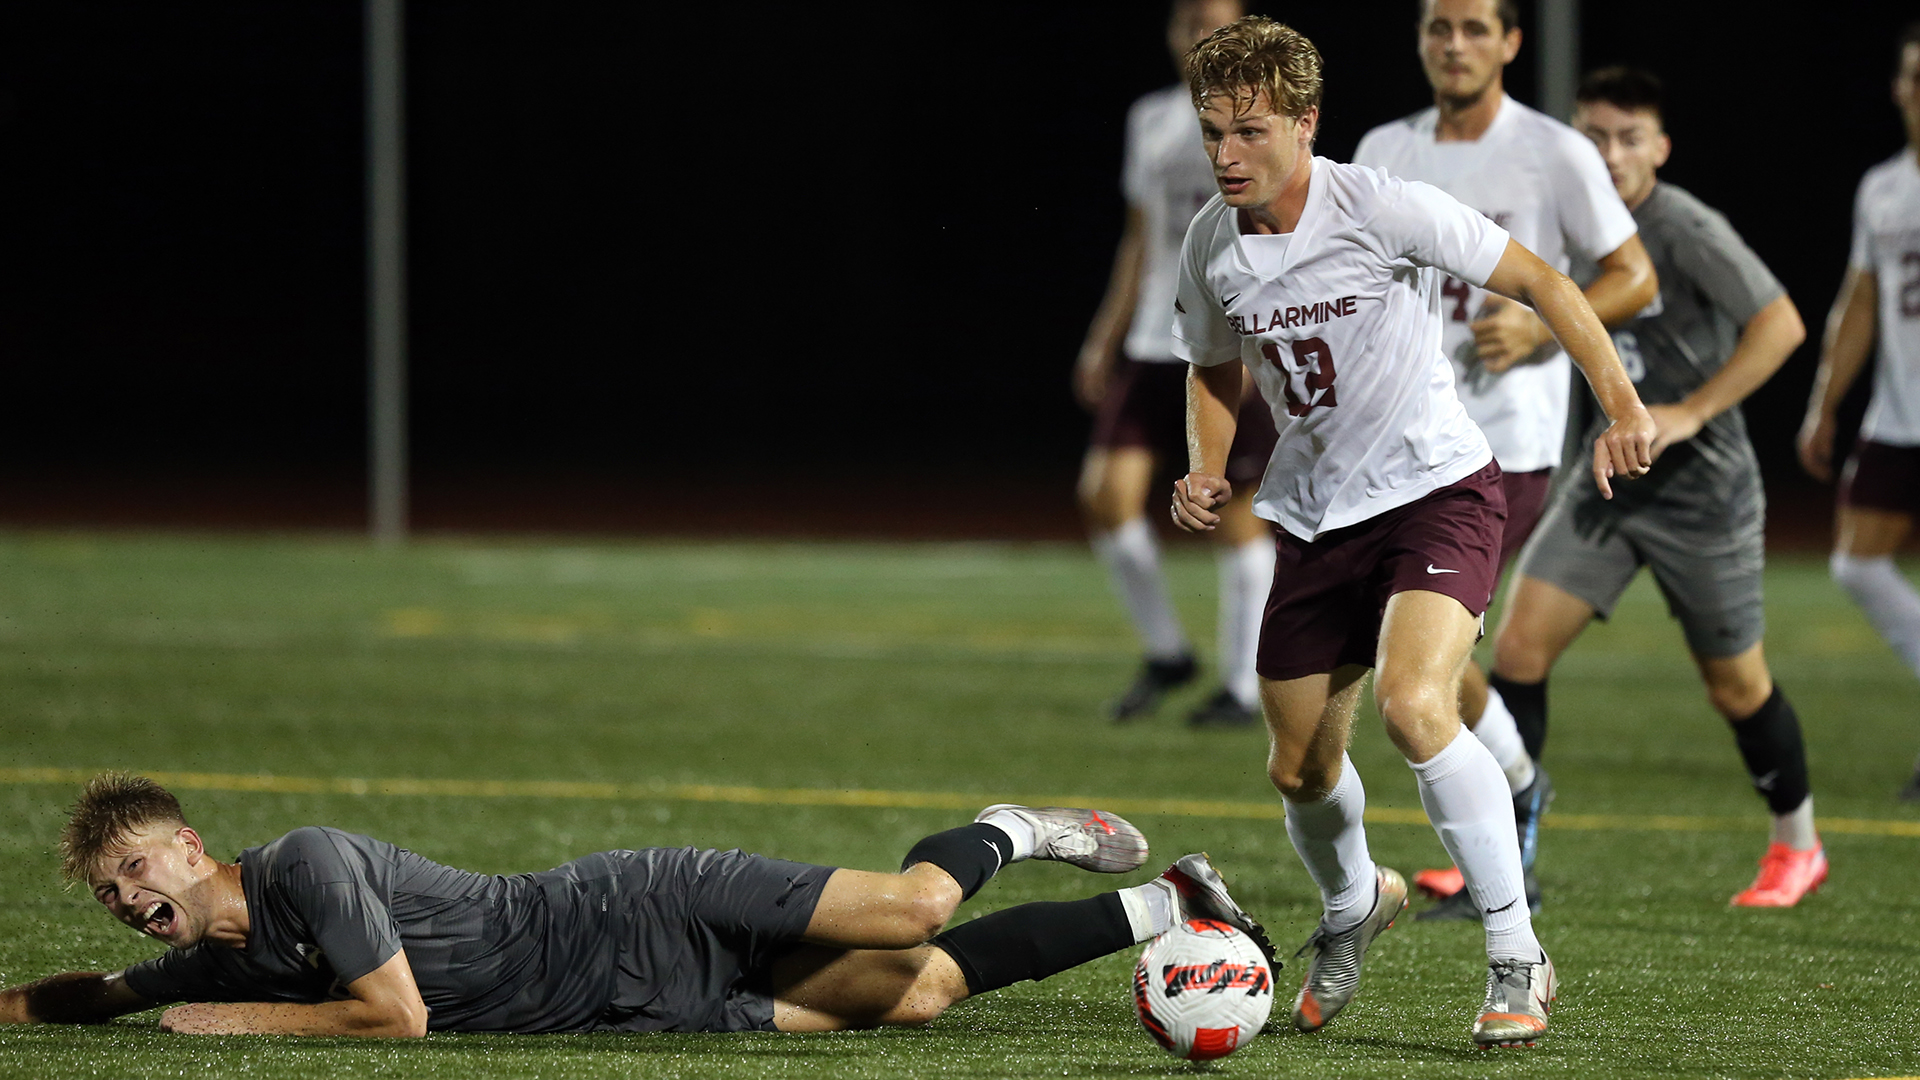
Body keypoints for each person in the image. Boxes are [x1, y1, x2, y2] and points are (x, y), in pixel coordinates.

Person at [1168, 17, 1654, 1047]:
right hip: (1312, 516)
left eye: (1248, 131)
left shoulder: (1377, 203)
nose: (1224, 154)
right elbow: (1212, 365)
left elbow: (1548, 283)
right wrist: (1208, 467)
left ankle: (1517, 954)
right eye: (1211, 130)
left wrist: (1621, 407)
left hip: (1438, 489)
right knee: (1296, 769)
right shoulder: (1211, 238)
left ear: (1306, 123)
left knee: (1416, 705)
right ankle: (1356, 902)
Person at [0, 772, 1273, 1036]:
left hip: (638, 907)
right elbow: (95, 999)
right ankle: (1168, 908)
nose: (126, 901)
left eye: (136, 869)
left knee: (913, 918)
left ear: (190, 844)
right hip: (631, 1000)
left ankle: (1011, 825)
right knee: (919, 999)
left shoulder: (304, 865)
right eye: (112, 891)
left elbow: (396, 1019)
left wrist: (239, 1031)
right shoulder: (209, 959)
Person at [1478, 68, 1822, 911]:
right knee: (1516, 652)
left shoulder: (1685, 229)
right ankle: (1498, 854)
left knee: (1735, 686)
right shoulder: (1561, 227)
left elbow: (1781, 322)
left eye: (1630, 137)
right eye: (1595, 136)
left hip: (1702, 497)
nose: (1612, 154)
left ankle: (1798, 844)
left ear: (1660, 149)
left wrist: (1691, 411)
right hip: (1603, 488)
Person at [1350, 0, 1659, 909]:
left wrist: (1536, 333)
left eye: (1476, 28)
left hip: (1502, 449)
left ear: (1512, 43)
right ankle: (1520, 780)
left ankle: (1514, 804)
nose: (1455, 44)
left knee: (1413, 659)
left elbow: (1630, 272)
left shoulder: (1552, 150)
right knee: (1402, 643)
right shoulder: (1382, 148)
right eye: (1439, 27)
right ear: (1418, 38)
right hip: (1390, 442)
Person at [1076, 0, 1280, 726]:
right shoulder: (1153, 119)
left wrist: (1265, 339)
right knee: (1105, 494)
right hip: (1152, 340)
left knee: (1237, 519)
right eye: (1186, 21)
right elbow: (1141, 239)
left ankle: (1243, 686)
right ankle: (1168, 651)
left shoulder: (1268, 115)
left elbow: (1281, 232)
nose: (1198, 35)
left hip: (1231, 343)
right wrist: (1105, 333)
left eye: (1213, 21)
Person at [1799, 21, 1920, 803]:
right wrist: (1824, 404)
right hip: (1898, 419)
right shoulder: (1882, 186)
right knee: (1855, 561)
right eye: (1913, 75)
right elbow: (1863, 300)